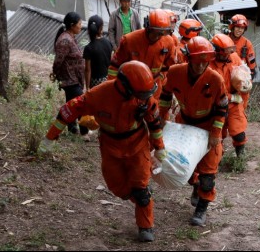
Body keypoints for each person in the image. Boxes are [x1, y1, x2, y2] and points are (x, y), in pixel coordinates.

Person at [39, 61, 167, 242]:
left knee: (141, 189)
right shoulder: (98, 95)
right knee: (117, 186)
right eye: (139, 93)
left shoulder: (143, 96)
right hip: (110, 147)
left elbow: (154, 122)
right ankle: (137, 197)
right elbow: (68, 111)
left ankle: (145, 225)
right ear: (125, 86)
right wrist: (49, 138)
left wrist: (160, 148)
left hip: (137, 145)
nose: (142, 97)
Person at [159, 36, 228, 226]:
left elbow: (223, 107)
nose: (200, 67)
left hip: (208, 128)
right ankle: (194, 185)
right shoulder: (175, 72)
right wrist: (162, 117)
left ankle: (202, 209)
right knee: (185, 168)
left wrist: (216, 133)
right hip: (185, 124)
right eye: (197, 62)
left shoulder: (215, 79)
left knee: (208, 174)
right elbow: (165, 96)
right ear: (189, 59)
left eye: (204, 63)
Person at [108, 9, 177, 100]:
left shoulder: (168, 42)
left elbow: (170, 66)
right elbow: (115, 66)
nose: (157, 37)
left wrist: (162, 77)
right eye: (154, 32)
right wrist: (113, 87)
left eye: (161, 33)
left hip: (154, 89)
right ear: (147, 27)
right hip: (132, 88)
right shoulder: (129, 41)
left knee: (151, 112)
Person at [209, 33, 248, 160]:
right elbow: (210, 90)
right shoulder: (208, 64)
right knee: (217, 135)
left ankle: (240, 157)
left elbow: (243, 75)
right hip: (215, 105)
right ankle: (216, 159)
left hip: (233, 104)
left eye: (228, 52)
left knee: (239, 132)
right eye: (224, 52)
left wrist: (246, 82)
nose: (227, 55)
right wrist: (231, 97)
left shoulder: (234, 58)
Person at [51, 11, 87, 136]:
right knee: (81, 104)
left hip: (74, 78)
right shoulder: (65, 40)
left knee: (70, 104)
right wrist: (55, 73)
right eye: (79, 23)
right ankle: (84, 131)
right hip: (69, 79)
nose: (81, 26)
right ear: (72, 25)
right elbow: (58, 61)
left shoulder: (71, 37)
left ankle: (71, 129)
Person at [227, 14, 257, 111]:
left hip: (240, 78)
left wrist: (249, 81)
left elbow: (252, 66)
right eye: (237, 27)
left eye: (242, 28)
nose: (239, 30)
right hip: (226, 75)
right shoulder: (225, 40)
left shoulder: (246, 44)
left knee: (241, 106)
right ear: (232, 27)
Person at [83, 15, 113, 90]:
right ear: (101, 29)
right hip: (107, 78)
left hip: (95, 82)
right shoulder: (108, 42)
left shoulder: (88, 48)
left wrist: (87, 88)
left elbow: (87, 70)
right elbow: (111, 61)